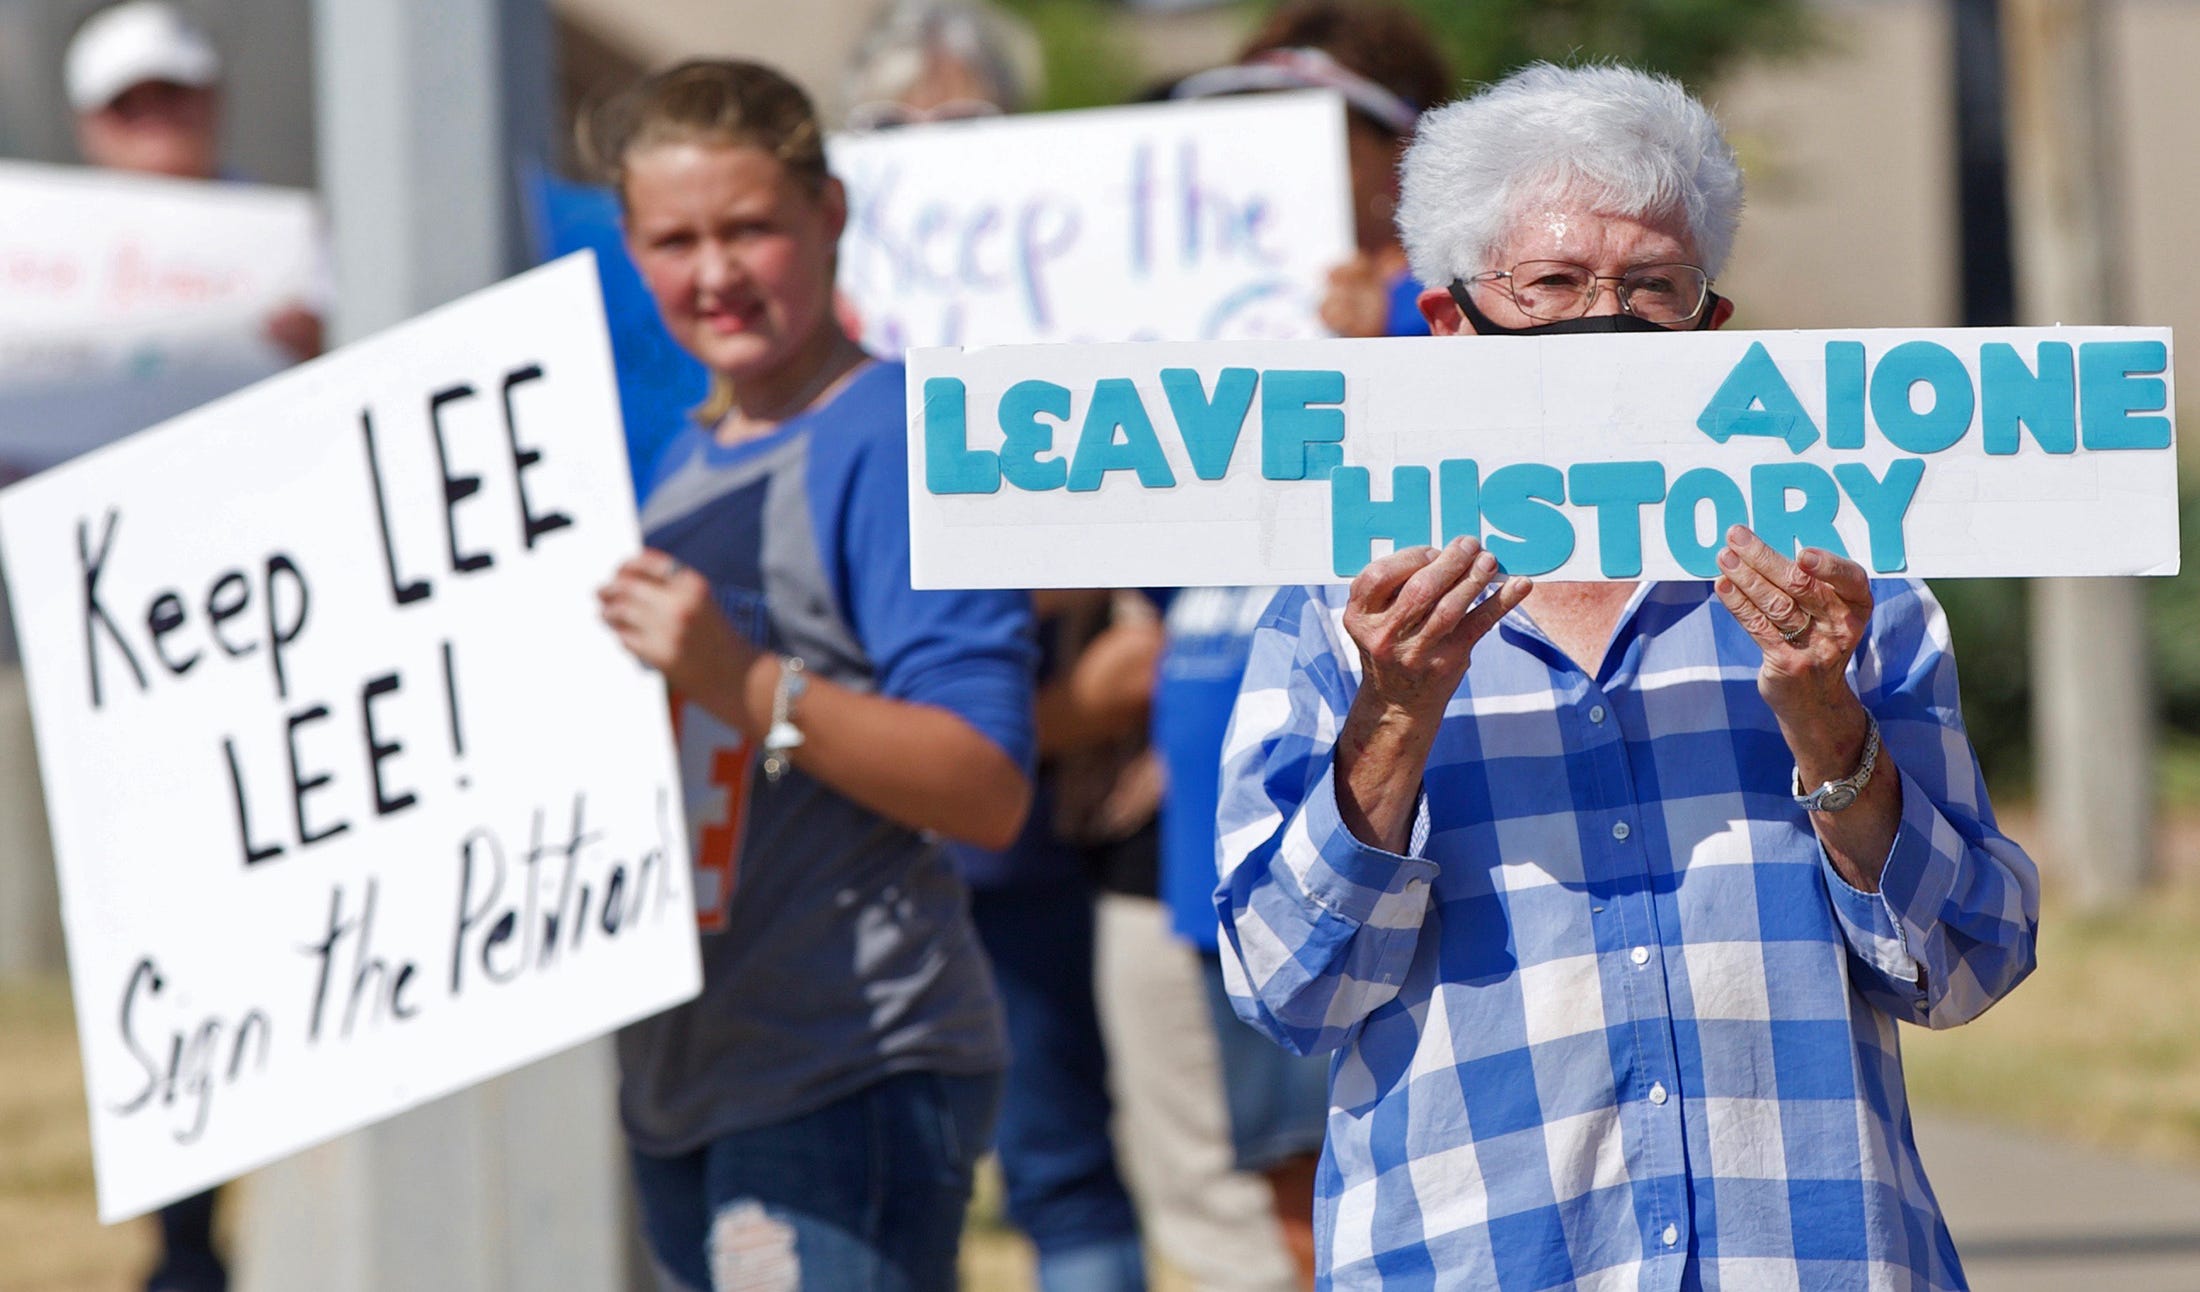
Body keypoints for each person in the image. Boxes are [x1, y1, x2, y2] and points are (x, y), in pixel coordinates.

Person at [1215, 63, 2039, 1289]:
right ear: (1450, 324)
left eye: (1651, 286)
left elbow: (1967, 959)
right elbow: (1286, 986)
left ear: (1709, 325)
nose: (1603, 320)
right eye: (1550, 284)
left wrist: (1831, 728)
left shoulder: (1841, 588)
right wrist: (1393, 716)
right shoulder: (1342, 608)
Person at [588, 59, 1037, 1291]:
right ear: (629, 248)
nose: (715, 272)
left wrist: (740, 680)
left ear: (829, 216)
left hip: (847, 1066)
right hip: (683, 1078)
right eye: (675, 239)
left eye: (749, 227)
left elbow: (987, 782)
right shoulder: (671, 470)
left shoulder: (891, 434)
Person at [1170, 0, 1451, 340]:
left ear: (1402, 146)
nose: (1276, 157)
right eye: (1254, 129)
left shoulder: (1459, 305)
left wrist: (1376, 350)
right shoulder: (1194, 281)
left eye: (1309, 133)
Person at [65, 0, 321, 361]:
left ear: (213, 98)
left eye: (171, 92)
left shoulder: (303, 244)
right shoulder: (46, 262)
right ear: (87, 127)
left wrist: (327, 344)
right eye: (126, 104)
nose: (154, 117)